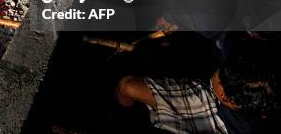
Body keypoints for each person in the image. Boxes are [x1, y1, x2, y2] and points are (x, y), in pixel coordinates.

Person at [115, 37, 281, 133]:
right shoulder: (260, 111)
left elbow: (127, 87)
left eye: (222, 72)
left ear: (225, 97)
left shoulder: (201, 104)